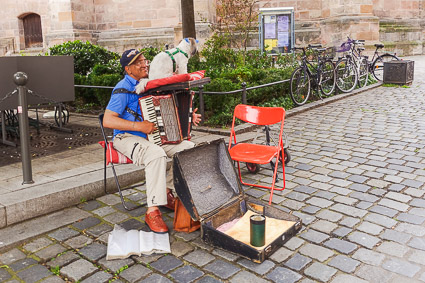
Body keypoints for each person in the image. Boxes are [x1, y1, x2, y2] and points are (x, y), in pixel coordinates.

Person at [103, 49, 201, 233]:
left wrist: (188, 116)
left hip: (154, 137)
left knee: (189, 148)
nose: (144, 64)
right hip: (126, 137)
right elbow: (107, 120)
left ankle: (166, 190)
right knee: (156, 154)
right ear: (128, 69)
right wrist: (139, 127)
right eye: (138, 62)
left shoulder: (151, 84)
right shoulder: (122, 89)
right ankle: (152, 211)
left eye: (144, 60)